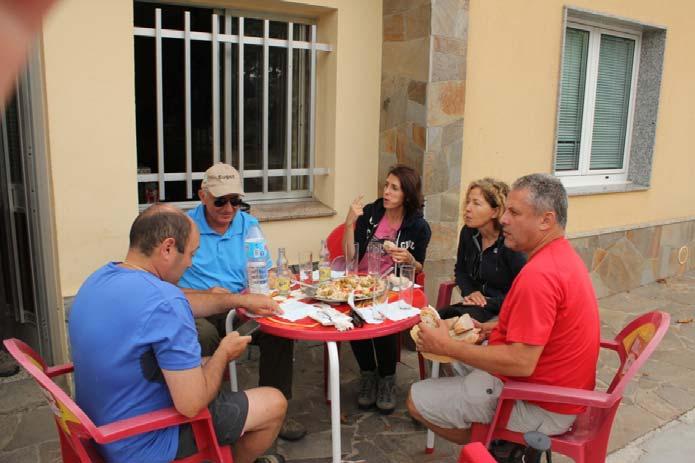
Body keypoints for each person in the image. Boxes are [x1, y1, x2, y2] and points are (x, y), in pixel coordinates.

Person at [69, 204, 287, 463]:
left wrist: (238, 300)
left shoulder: (100, 278)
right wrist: (223, 354)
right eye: (191, 254)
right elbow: (191, 404)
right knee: (274, 403)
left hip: (99, 426)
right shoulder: (166, 303)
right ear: (168, 248)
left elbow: (179, 299)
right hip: (143, 440)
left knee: (202, 365)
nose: (190, 263)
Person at [407, 173, 600, 445]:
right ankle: (490, 433)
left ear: (546, 220)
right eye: (506, 210)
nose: (505, 219)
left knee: (416, 399)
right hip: (558, 390)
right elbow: (550, 325)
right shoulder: (560, 256)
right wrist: (490, 327)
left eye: (514, 212)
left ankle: (491, 443)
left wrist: (446, 346)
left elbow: (522, 362)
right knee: (463, 359)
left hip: (541, 403)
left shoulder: (539, 275)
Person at [178, 162, 306, 442]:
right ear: (202, 196)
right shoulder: (185, 227)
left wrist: (270, 282)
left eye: (236, 201)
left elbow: (267, 271)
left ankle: (275, 407)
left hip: (241, 308)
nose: (229, 209)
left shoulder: (249, 225)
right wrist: (209, 295)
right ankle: (214, 415)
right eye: (220, 201)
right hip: (202, 310)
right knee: (204, 335)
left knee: (277, 330)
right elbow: (170, 284)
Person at [344, 164, 431, 414]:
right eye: (386, 186)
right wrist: (350, 224)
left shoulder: (418, 227)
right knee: (354, 318)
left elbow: (418, 267)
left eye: (395, 188)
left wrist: (408, 258)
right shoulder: (372, 212)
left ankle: (387, 379)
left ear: (407, 194)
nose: (387, 192)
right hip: (361, 283)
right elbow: (351, 257)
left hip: (391, 287)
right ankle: (368, 376)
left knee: (384, 323)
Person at [439, 178, 526, 323]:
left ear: (495, 211)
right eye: (468, 201)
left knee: (453, 329)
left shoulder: (511, 242)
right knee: (433, 319)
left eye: (476, 203)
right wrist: (470, 292)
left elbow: (523, 293)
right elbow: (460, 271)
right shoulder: (468, 232)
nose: (467, 208)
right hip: (474, 307)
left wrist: (486, 302)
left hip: (505, 312)